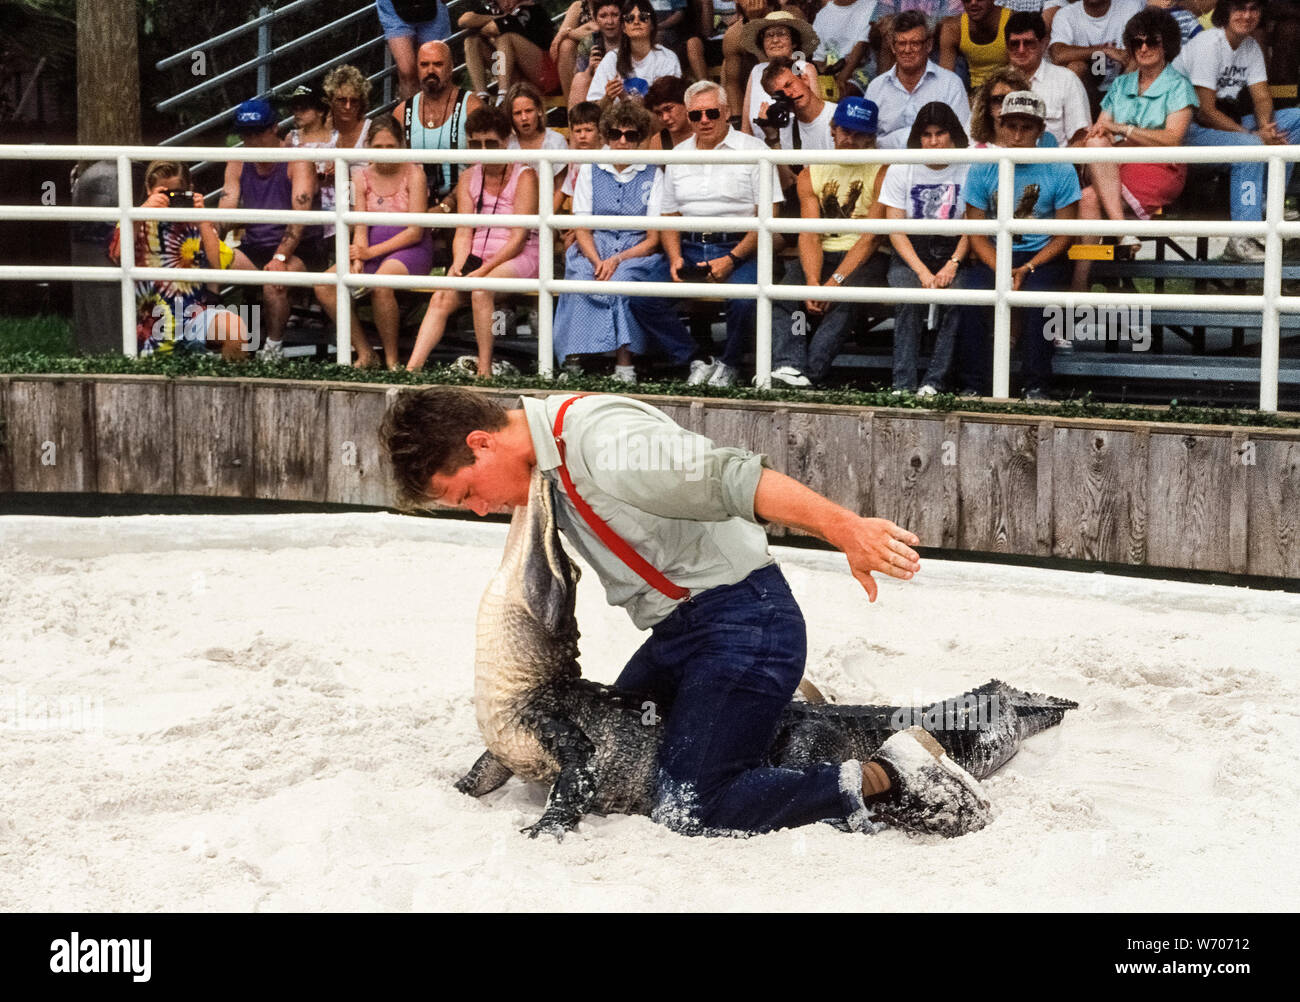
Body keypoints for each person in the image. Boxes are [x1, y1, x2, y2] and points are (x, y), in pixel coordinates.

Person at [380, 386, 991, 838]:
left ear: (481, 443)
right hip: (681, 634)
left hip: (744, 622)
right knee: (625, 759)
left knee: (690, 806)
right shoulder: (547, 462)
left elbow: (732, 478)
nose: (482, 511)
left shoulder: (602, 440)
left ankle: (890, 776)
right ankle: (783, 706)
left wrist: (844, 526)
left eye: (466, 494)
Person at [553, 101, 694, 381]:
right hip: (594, 244)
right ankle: (573, 360)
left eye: (631, 135)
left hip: (635, 249)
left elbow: (653, 238)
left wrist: (617, 260)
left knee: (624, 282)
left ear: (640, 138)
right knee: (581, 278)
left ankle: (625, 364)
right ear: (606, 136)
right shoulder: (591, 169)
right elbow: (581, 226)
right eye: (616, 134)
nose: (622, 141)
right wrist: (597, 260)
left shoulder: (654, 173)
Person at [660, 80, 782, 387]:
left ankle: (729, 363)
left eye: (712, 112)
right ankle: (696, 359)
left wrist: (731, 258)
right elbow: (670, 215)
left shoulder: (755, 150)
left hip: (740, 246)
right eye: (696, 115)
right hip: (688, 246)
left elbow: (768, 217)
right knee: (638, 297)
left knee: (743, 300)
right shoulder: (677, 154)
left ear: (726, 112)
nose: (704, 120)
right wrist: (674, 256)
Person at [406, 104, 540, 375]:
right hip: (477, 253)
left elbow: (518, 238)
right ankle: (411, 369)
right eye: (476, 144)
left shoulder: (525, 175)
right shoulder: (468, 176)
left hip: (519, 254)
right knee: (441, 297)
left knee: (480, 290)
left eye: (491, 143)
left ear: (505, 142)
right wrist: (459, 263)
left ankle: (484, 369)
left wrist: (483, 271)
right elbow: (464, 230)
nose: (483, 151)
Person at [964, 90, 1081, 399]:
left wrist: (1028, 266)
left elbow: (1065, 233)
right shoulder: (981, 166)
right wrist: (1002, 267)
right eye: (1010, 126)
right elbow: (975, 232)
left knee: (1037, 298)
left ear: (1040, 131)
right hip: (995, 251)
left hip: (1043, 255)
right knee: (971, 297)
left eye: (1026, 127)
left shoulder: (1060, 167)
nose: (1017, 135)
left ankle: (1036, 385)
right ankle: (974, 385)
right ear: (999, 126)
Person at [1072, 7, 1196, 290]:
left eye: (1152, 41)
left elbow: (1172, 139)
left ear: (1167, 44)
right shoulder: (1122, 83)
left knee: (1090, 196)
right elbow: (1101, 130)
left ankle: (1082, 284)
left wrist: (1123, 130)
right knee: (1093, 158)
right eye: (1137, 42)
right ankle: (1116, 239)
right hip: (1115, 164)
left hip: (1159, 166)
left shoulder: (1179, 85)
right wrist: (1107, 132)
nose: (1143, 48)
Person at [769, 98, 890, 387]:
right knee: (788, 297)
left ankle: (810, 372)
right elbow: (810, 233)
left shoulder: (883, 170)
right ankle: (790, 364)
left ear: (871, 137)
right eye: (845, 131)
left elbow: (871, 238)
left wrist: (834, 282)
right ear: (833, 130)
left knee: (846, 300)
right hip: (822, 253)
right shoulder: (813, 171)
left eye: (859, 133)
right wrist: (812, 281)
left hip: (866, 257)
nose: (850, 139)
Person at [1175, 0, 1300, 261]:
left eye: (1254, 9)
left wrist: (1267, 127)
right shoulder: (1209, 43)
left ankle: (1268, 200)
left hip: (1226, 124)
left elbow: (1262, 96)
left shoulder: (1251, 46)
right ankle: (1241, 238)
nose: (1247, 15)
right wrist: (1254, 136)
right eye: (1239, 9)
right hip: (1188, 131)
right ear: (1225, 13)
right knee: (1250, 148)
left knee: (1296, 118)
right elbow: (1205, 111)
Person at [313, 117, 432, 370]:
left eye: (391, 147)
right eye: (378, 147)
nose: (385, 153)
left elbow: (415, 231)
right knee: (323, 285)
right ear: (368, 146)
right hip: (372, 250)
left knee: (380, 283)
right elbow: (360, 225)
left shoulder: (415, 173)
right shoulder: (360, 176)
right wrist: (357, 258)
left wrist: (369, 253)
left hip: (410, 249)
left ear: (401, 145)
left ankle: (392, 360)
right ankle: (365, 352)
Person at [108, 160, 253, 359]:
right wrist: (142, 212)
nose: (170, 199)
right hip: (151, 322)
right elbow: (117, 256)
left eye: (176, 193)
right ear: (149, 189)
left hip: (194, 314)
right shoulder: (135, 220)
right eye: (163, 193)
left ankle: (233, 386)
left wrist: (201, 217)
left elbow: (216, 264)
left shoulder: (196, 222)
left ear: (189, 190)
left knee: (235, 328)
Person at [881, 102, 973, 394]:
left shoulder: (969, 165)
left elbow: (975, 225)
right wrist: (921, 271)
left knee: (959, 300)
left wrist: (953, 264)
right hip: (912, 249)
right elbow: (895, 228)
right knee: (908, 299)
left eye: (940, 133)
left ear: (953, 134)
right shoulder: (901, 167)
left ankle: (934, 382)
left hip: (956, 248)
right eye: (927, 134)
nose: (933, 141)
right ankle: (903, 384)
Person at [220, 98, 318, 358]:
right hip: (255, 245)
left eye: (257, 131)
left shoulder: (298, 161)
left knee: (274, 280)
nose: (251, 139)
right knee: (205, 259)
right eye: (245, 133)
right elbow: (225, 209)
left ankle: (273, 348)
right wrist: (206, 238)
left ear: (274, 128)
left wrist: (280, 256)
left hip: (302, 248)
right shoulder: (238, 161)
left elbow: (300, 219)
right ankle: (219, 341)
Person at [394, 41, 486, 215]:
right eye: (424, 65)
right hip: (413, 207)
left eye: (438, 64)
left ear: (450, 67)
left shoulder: (471, 106)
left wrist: (447, 205)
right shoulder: (401, 112)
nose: (430, 71)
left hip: (463, 205)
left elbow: (482, 169)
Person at [865, 10, 972, 148]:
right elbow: (866, 139)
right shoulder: (876, 87)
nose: (907, 50)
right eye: (901, 43)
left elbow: (961, 137)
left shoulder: (950, 84)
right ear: (893, 47)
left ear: (928, 46)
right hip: (887, 165)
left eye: (915, 43)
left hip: (935, 164)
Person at [1004, 10, 1092, 145]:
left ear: (1044, 44)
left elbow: (1080, 138)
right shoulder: (995, 83)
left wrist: (1062, 166)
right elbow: (977, 135)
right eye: (1014, 44)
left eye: (1028, 43)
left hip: (1054, 164)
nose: (1021, 50)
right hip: (1004, 164)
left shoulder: (1066, 80)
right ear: (1006, 46)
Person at [739, 10, 823, 141]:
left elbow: (816, 119)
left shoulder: (805, 68)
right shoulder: (757, 71)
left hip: (796, 151)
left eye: (781, 34)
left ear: (794, 42)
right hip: (758, 151)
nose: (775, 40)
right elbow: (746, 126)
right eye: (769, 35)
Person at [1048, 0, 1144, 107]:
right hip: (1087, 89)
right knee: (1075, 67)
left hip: (1121, 85)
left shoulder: (1130, 7)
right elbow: (1058, 54)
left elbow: (1143, 48)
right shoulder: (1066, 14)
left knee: (1137, 60)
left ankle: (1123, 111)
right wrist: (1104, 50)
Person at [586, 0, 683, 103]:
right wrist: (608, 98)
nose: (636, 22)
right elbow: (593, 108)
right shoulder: (612, 58)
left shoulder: (667, 58)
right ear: (623, 27)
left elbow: (668, 107)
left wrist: (626, 98)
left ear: (652, 25)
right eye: (629, 18)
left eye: (643, 17)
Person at [459, 0, 560, 97]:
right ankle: (482, 95)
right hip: (517, 77)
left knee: (506, 38)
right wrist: (498, 17)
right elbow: (463, 21)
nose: (507, 3)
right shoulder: (497, 10)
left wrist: (483, 23)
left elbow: (492, 28)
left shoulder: (530, 8)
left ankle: (503, 94)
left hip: (545, 76)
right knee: (472, 41)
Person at [375, 0, 452, 100]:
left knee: (437, 70)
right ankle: (411, 113)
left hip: (434, 6)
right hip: (393, 7)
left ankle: (439, 113)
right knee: (407, 71)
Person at [556, 0, 625, 106]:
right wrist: (590, 70)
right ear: (595, 19)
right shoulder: (589, 42)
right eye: (603, 16)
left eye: (615, 15)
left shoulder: (630, 37)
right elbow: (580, 74)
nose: (610, 21)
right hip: (600, 96)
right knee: (580, 79)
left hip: (628, 85)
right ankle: (576, 119)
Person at [505, 81, 571, 184]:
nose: (524, 117)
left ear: (539, 110)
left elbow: (560, 188)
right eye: (517, 113)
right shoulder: (506, 144)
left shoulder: (556, 141)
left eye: (528, 111)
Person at [871, 0, 963, 73]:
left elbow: (953, 26)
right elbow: (874, 31)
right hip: (897, 58)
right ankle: (888, 91)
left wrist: (908, 26)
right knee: (889, 35)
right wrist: (883, 26)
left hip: (938, 58)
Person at [811, 0, 877, 98]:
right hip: (831, 71)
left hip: (862, 69)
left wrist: (841, 79)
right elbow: (818, 59)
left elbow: (861, 46)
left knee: (841, 93)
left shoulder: (871, 5)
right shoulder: (823, 15)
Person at [967, 64, 1033, 143]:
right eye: (998, 99)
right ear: (987, 105)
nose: (1005, 105)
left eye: (1012, 99)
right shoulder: (975, 151)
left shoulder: (1044, 140)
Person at [960, 0, 1013, 88]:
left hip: (1007, 87)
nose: (973, 2)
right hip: (975, 91)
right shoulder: (953, 27)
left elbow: (1022, 70)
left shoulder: (1011, 20)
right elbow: (945, 79)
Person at [645, 74, 694, 148]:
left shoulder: (707, 132)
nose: (665, 118)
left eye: (668, 109)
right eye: (658, 113)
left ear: (686, 103)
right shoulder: (657, 141)